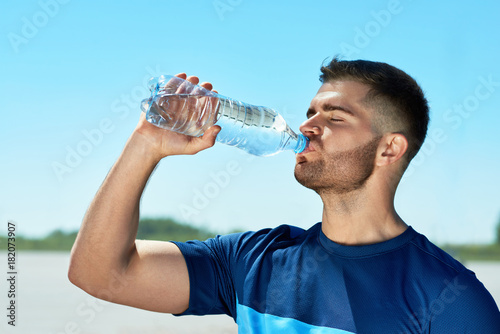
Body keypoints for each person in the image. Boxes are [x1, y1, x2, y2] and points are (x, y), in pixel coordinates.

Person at [68, 58, 500, 333]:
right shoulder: (252, 258)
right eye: (311, 112)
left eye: (336, 116)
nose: (309, 126)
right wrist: (146, 145)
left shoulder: (450, 298)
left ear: (390, 148)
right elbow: (98, 273)